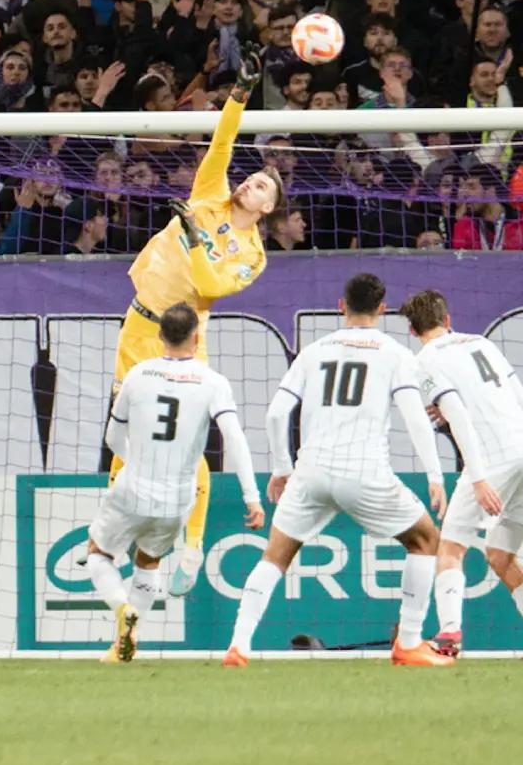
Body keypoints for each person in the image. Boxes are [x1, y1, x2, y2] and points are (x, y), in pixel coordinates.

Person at [111, 44, 282, 599]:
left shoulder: (252, 255)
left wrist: (190, 239)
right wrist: (240, 94)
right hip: (139, 329)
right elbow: (222, 143)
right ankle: (123, 541)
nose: (248, 183)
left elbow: (209, 285)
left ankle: (192, 543)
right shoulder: (207, 195)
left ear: (268, 209)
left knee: (192, 448)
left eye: (261, 186)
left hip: (187, 342)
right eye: (250, 177)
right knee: (125, 443)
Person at [224, 273, 452, 668]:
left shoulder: (314, 351)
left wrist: (281, 468)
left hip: (311, 471)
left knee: (274, 557)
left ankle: (239, 646)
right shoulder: (396, 353)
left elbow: (276, 413)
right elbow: (416, 418)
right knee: (425, 540)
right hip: (365, 471)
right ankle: (409, 643)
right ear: (382, 309)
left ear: (341, 305)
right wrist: (435, 474)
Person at [89, 303, 262, 662]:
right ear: (196, 338)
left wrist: (136, 460)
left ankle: (123, 609)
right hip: (176, 498)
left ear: (159, 336)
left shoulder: (138, 374)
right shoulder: (213, 382)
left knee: (98, 553)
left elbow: (111, 438)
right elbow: (235, 439)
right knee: (148, 561)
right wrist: (252, 497)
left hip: (133, 486)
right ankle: (128, 639)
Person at [402, 290, 523, 661]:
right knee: (500, 555)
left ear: (413, 331)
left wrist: (478, 476)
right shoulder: (481, 343)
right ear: (447, 319)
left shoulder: (423, 360)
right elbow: (522, 401)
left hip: (492, 459)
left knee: (451, 546)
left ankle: (448, 637)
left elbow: (457, 413)